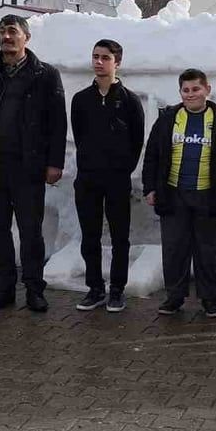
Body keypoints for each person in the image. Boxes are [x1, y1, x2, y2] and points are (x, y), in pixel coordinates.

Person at [0, 15, 66, 312]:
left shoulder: (45, 74)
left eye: (13, 31)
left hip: (27, 168)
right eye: (2, 31)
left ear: (26, 38)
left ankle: (34, 289)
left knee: (31, 231)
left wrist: (54, 162)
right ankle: (3, 288)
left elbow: (57, 122)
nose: (7, 37)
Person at [142, 68, 216, 318]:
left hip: (208, 196)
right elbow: (152, 154)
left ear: (207, 90)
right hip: (174, 195)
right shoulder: (168, 118)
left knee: (207, 251)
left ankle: (209, 299)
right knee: (175, 249)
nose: (190, 94)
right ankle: (174, 297)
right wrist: (150, 187)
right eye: (185, 90)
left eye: (196, 89)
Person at [70, 38, 144, 313]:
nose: (99, 62)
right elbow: (79, 135)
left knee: (119, 237)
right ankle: (95, 288)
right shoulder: (81, 100)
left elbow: (137, 140)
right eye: (95, 57)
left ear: (117, 63)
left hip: (117, 179)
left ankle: (116, 289)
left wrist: (122, 168)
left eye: (105, 57)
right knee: (90, 235)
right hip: (88, 179)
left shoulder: (129, 101)